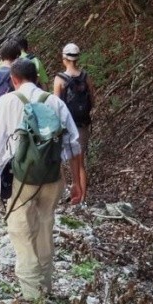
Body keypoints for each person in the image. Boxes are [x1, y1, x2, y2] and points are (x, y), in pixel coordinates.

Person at [0, 58, 83, 301]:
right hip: (52, 176)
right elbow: (73, 145)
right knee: (46, 224)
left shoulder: (6, 101)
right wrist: (77, 182)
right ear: (37, 78)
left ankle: (32, 293)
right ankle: (46, 284)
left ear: (14, 80)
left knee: (20, 229)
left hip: (21, 178)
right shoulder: (54, 102)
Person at [53, 43, 95, 205]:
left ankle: (66, 194)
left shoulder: (60, 79)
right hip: (82, 124)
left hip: (65, 126)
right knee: (80, 162)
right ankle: (82, 198)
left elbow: (55, 105)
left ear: (64, 58)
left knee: (60, 160)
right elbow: (93, 99)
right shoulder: (86, 76)